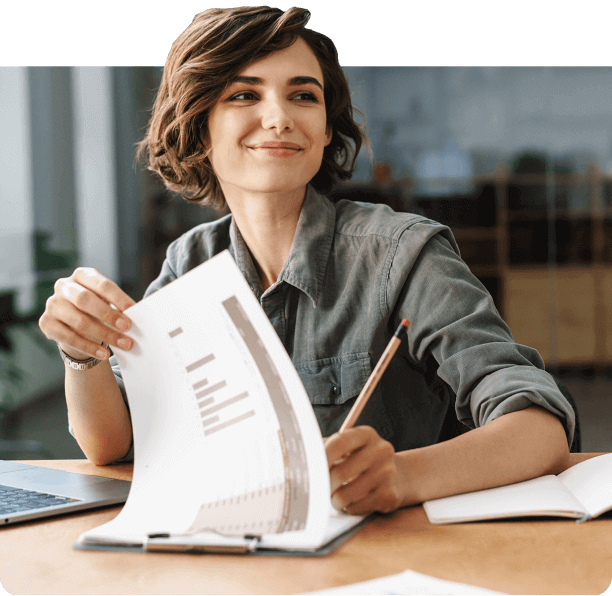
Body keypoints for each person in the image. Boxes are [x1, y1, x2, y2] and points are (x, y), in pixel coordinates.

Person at [38, 7, 574, 517]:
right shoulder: (190, 262)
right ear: (199, 124)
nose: (279, 118)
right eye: (245, 94)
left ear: (324, 129)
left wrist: (402, 476)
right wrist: (81, 353)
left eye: (303, 96)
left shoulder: (403, 253)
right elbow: (114, 445)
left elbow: (540, 426)